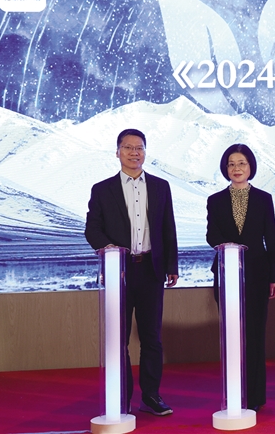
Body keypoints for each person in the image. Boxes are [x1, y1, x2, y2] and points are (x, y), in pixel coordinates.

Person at [85, 128, 178, 416]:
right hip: (120, 272)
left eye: (139, 148)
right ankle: (121, 399)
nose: (134, 152)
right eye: (128, 147)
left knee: (152, 339)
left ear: (145, 153)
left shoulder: (161, 186)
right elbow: (92, 229)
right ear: (117, 152)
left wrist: (171, 266)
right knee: (119, 338)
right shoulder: (102, 189)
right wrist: (109, 249)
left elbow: (168, 227)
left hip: (151, 270)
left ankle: (151, 397)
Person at [206, 143, 275, 411]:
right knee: (231, 335)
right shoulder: (215, 200)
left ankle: (255, 397)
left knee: (255, 335)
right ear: (225, 168)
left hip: (258, 275)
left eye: (242, 163)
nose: (236, 168)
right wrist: (227, 246)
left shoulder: (264, 198)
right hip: (227, 273)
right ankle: (233, 394)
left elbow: (271, 239)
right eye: (231, 164)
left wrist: (274, 277)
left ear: (250, 167)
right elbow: (211, 234)